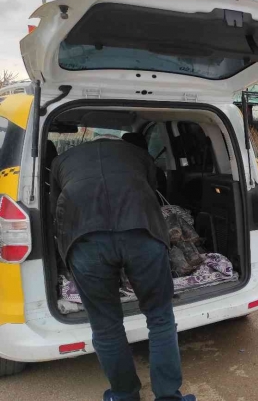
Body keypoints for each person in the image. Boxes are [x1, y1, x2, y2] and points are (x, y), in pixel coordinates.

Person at [50, 138, 196, 401]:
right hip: (142, 231)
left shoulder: (60, 161)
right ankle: (168, 397)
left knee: (106, 326)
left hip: (85, 240)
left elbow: (55, 213)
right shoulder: (139, 155)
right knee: (160, 317)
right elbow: (155, 190)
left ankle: (124, 395)